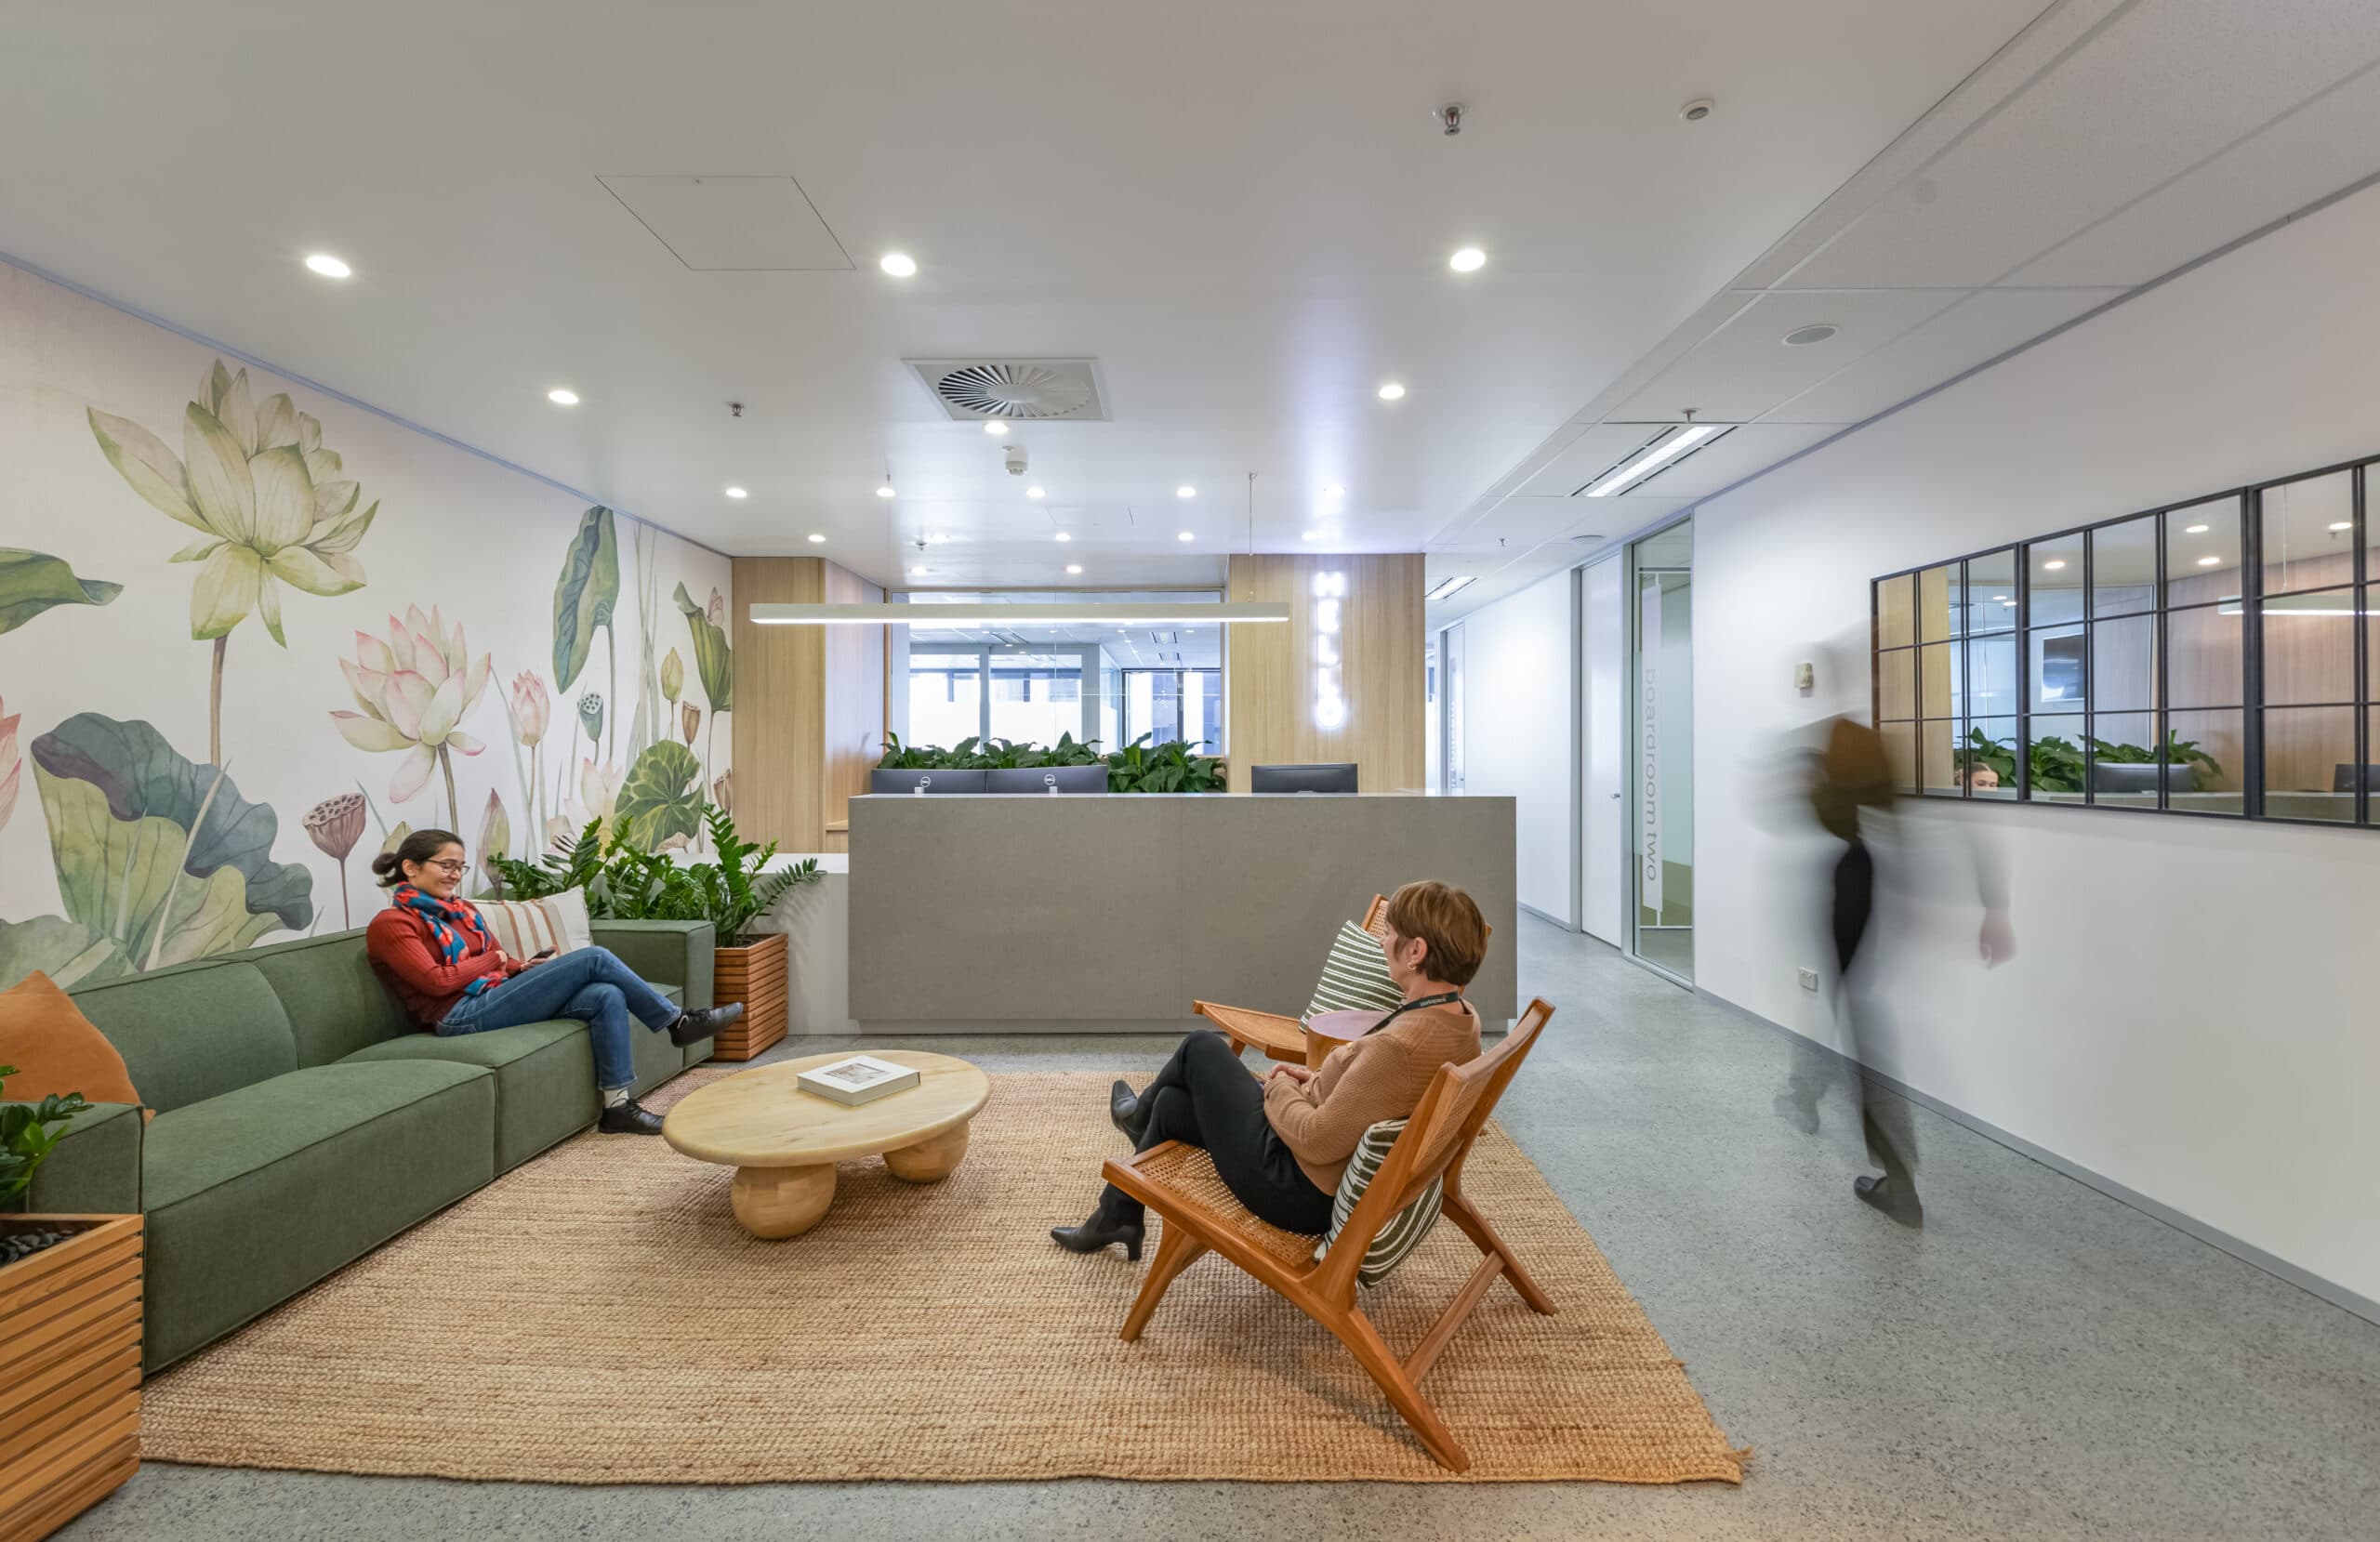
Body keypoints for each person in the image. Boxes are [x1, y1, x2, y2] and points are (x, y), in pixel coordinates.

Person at [1051, 880, 1487, 1259]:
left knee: (1201, 1048)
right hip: (1315, 1158)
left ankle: (1133, 1120)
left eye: (1389, 934)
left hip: (1296, 1188)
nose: (1381, 943)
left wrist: (1278, 1086)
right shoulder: (1460, 1019)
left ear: (1416, 951)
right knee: (1172, 1104)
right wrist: (1311, 1080)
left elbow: (1318, 1140)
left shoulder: (1401, 1048)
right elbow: (1367, 1097)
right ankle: (1118, 1212)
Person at [1777, 718, 2014, 1225]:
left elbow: (1961, 836)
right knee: (1852, 1020)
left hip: (1857, 894)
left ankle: (1898, 1182)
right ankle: (1811, 1092)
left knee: (1863, 1035)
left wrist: (1992, 910)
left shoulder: (1866, 813)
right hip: (1858, 892)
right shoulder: (1870, 809)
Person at [363, 829, 744, 1135]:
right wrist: (493, 961)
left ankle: (618, 1107)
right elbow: (435, 982)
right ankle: (678, 1022)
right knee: (594, 958)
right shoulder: (391, 924)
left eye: (460, 868)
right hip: (458, 1016)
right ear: (410, 868)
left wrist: (519, 967)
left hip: (491, 994)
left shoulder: (460, 912)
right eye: (446, 865)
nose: (455, 875)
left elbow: (498, 957)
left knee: (605, 994)